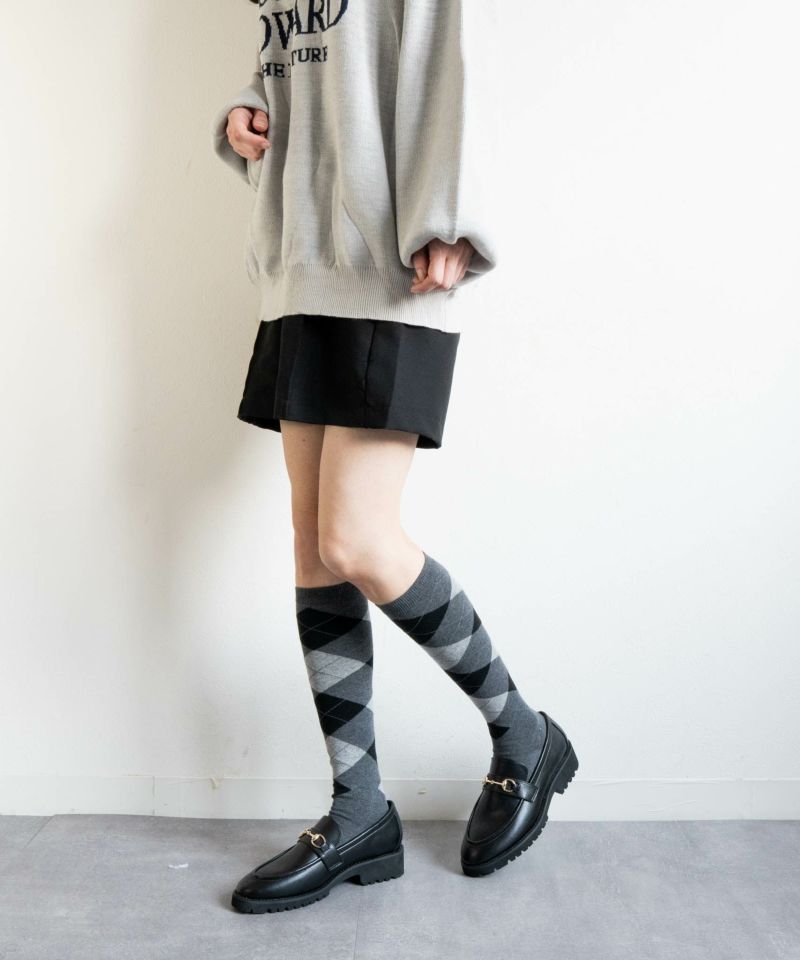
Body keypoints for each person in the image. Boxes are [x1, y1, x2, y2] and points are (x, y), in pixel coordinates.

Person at [210, 0, 578, 914]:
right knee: (313, 547)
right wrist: (247, 114)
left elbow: (450, 53)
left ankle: (524, 734)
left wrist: (451, 213)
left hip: (388, 259)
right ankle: (359, 809)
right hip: (298, 262)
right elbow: (295, 56)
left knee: (357, 539)